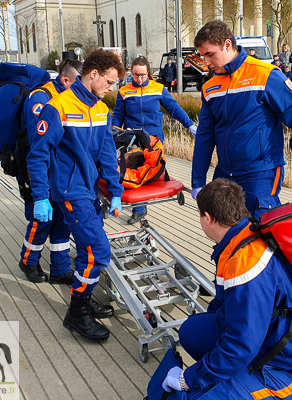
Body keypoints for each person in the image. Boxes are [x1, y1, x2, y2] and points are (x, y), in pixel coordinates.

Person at [159, 178, 292, 399]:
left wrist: (188, 379)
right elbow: (225, 309)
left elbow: (240, 345)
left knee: (200, 396)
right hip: (265, 338)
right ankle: (229, 377)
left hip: (290, 369)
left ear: (208, 218)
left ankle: (239, 384)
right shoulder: (241, 236)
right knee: (191, 331)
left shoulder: (246, 264)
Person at [27, 49, 125, 341]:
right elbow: (38, 155)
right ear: (93, 74)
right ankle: (76, 313)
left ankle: (84, 297)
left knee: (86, 249)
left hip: (89, 189)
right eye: (109, 81)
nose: (112, 88)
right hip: (70, 191)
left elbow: (108, 154)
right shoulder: (58, 107)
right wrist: (41, 196)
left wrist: (116, 190)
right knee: (99, 251)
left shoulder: (101, 109)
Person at [191, 20, 292, 219]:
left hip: (260, 172)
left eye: (210, 54)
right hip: (224, 172)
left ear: (227, 44)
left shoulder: (266, 75)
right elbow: (205, 136)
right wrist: (197, 181)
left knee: (260, 233)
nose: (206, 62)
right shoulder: (210, 88)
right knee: (225, 233)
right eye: (202, 56)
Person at [18, 59, 83, 285]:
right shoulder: (40, 99)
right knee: (41, 220)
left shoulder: (67, 97)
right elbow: (40, 146)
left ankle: (60, 267)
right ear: (65, 80)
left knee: (62, 220)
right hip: (39, 169)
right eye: (77, 83)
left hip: (60, 171)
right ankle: (28, 261)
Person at [112, 56, 196, 224]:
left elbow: (173, 108)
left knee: (154, 168)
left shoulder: (158, 89)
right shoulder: (124, 91)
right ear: (131, 73)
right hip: (133, 138)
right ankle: (139, 209)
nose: (139, 79)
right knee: (136, 171)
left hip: (154, 138)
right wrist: (115, 134)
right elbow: (118, 116)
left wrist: (190, 125)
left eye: (143, 75)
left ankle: (162, 189)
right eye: (135, 75)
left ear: (148, 72)